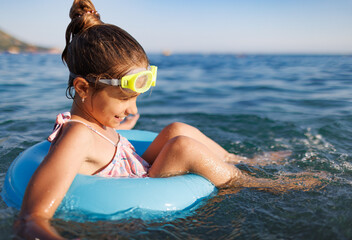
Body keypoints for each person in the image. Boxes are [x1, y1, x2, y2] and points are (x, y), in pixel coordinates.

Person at [15, 0, 322, 239]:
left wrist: (124, 116)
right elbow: (32, 217)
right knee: (181, 147)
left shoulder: (97, 124)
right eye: (125, 98)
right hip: (136, 190)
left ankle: (239, 159)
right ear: (82, 87)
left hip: (138, 169)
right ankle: (255, 183)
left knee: (176, 129)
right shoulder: (77, 137)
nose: (132, 107)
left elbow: (112, 142)